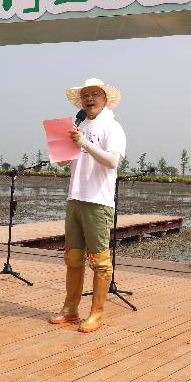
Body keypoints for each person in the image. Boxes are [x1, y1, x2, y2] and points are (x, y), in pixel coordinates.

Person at [49, 77, 126, 333]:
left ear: (105, 99)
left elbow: (112, 161)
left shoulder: (112, 127)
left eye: (94, 94)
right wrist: (61, 144)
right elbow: (62, 162)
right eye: (85, 95)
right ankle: (70, 309)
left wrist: (84, 143)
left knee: (100, 260)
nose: (89, 99)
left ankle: (96, 313)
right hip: (75, 197)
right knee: (72, 257)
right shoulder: (78, 126)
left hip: (98, 201)